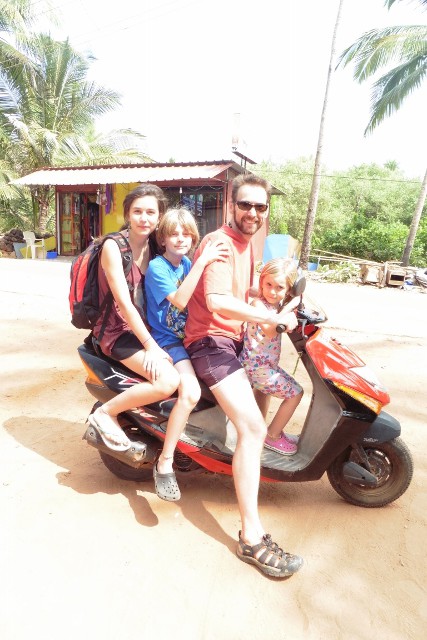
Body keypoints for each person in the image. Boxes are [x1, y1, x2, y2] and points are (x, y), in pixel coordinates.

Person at [184, 173, 303, 578]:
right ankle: (251, 538)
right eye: (246, 204)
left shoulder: (247, 244)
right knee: (254, 429)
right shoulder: (218, 243)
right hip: (210, 342)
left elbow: (247, 290)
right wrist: (271, 318)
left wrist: (284, 298)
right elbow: (218, 300)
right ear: (231, 204)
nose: (253, 212)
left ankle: (244, 458)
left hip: (234, 341)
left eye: (261, 207)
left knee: (264, 387)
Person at [88, 184, 180, 452]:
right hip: (118, 333)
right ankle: (106, 412)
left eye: (151, 212)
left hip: (149, 327)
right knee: (168, 381)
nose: (144, 218)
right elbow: (125, 304)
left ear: (159, 216)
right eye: (137, 211)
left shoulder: (154, 244)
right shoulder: (113, 247)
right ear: (127, 214)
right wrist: (151, 346)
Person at [145, 208, 228, 501]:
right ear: (163, 239)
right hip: (169, 341)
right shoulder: (159, 268)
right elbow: (180, 301)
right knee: (191, 393)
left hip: (191, 337)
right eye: (173, 233)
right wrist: (203, 260)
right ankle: (165, 461)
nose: (180, 238)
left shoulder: (187, 263)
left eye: (186, 233)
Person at [238, 258, 303, 455]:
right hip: (256, 367)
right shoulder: (258, 303)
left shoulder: (274, 304)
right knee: (295, 393)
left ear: (288, 289)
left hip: (265, 365)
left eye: (279, 287)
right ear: (261, 282)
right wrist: (288, 310)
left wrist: (292, 304)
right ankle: (273, 436)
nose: (273, 291)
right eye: (268, 285)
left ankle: (259, 431)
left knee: (263, 393)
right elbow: (270, 329)